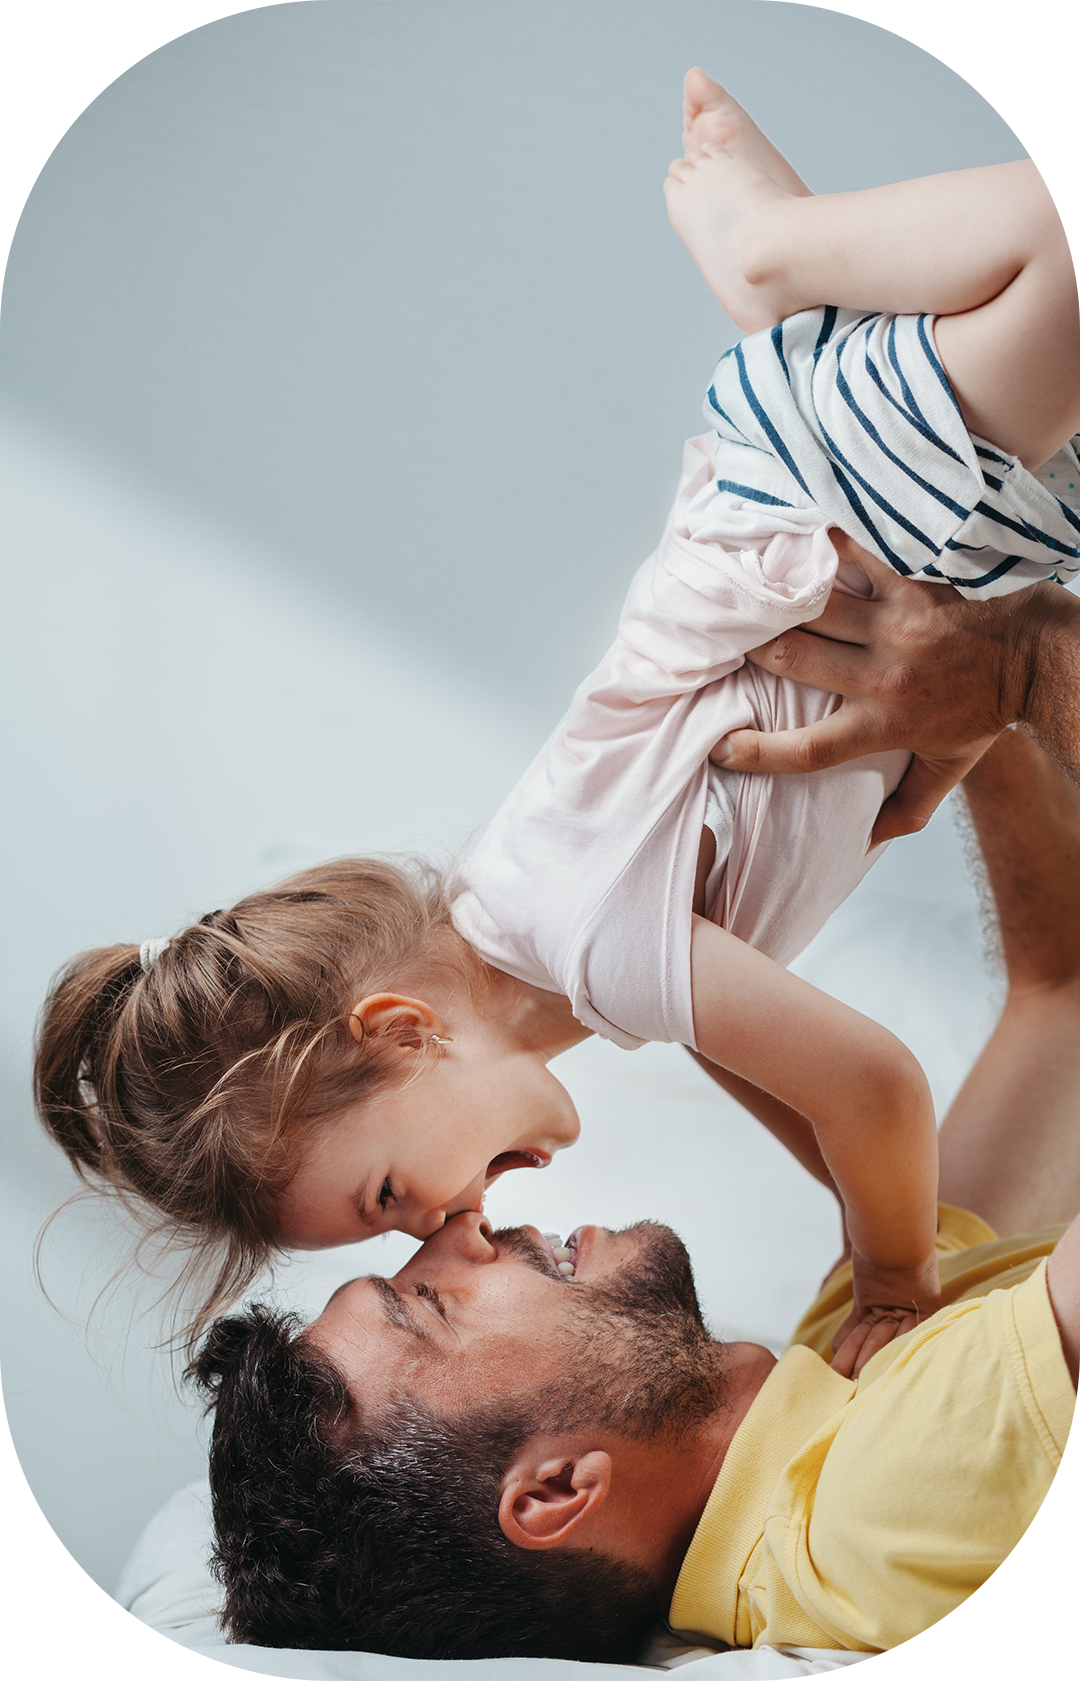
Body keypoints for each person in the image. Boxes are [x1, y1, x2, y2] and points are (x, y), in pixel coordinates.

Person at [33, 74, 1080, 1365]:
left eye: (391, 1197)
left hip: (836, 499)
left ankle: (775, 251)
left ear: (401, 1031)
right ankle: (799, 302)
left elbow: (873, 1085)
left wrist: (899, 1279)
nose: (451, 1223)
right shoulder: (606, 964)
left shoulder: (574, 925)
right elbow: (821, 1107)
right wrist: (914, 1226)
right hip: (915, 536)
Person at [193, 730, 1080, 1664]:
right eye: (427, 1301)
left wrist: (991, 703)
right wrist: (1037, 670)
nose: (467, 1226)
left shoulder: (842, 1355)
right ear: (555, 1490)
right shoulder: (876, 1501)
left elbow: (1061, 993)